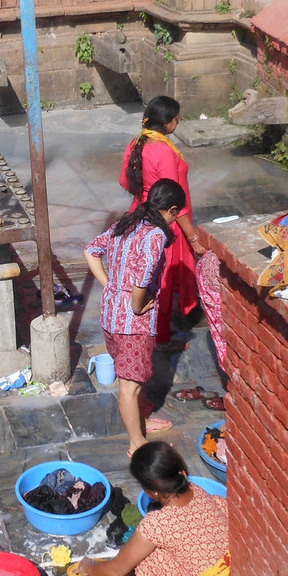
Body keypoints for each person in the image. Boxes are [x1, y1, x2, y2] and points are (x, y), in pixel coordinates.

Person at [76, 443, 232, 576]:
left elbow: (115, 570)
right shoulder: (197, 491)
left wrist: (88, 566)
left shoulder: (157, 524)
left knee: (145, 557)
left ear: (154, 491)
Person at [84, 179, 186, 456]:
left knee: (130, 381)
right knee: (129, 387)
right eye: (176, 215)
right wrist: (138, 306)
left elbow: (91, 251)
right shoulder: (155, 235)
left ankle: (140, 423)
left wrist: (110, 284)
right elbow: (142, 281)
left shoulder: (125, 224)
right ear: (172, 210)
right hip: (132, 323)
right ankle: (136, 443)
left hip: (110, 316)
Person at [120, 97, 205, 348]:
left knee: (142, 274)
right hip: (165, 222)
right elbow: (173, 201)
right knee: (162, 279)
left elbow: (125, 182)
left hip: (140, 214)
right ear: (168, 123)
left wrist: (145, 197)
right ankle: (160, 337)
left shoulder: (136, 143)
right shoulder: (164, 151)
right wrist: (192, 237)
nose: (178, 122)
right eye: (177, 118)